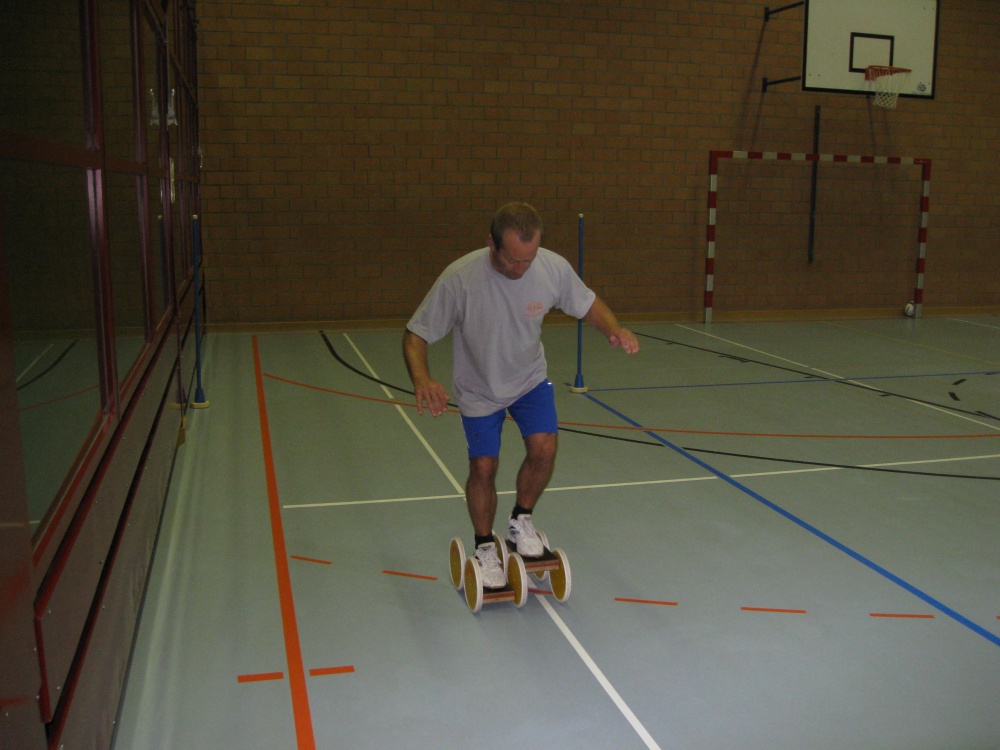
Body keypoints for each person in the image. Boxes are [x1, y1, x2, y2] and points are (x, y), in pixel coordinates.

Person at [403, 202, 639, 589]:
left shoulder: (551, 267)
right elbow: (416, 334)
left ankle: (520, 520)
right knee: (484, 467)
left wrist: (614, 329)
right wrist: (423, 378)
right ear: (491, 244)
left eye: (528, 260)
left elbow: (587, 303)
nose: (520, 270)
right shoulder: (460, 279)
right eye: (512, 260)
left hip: (529, 378)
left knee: (545, 448)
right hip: (479, 389)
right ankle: (484, 546)